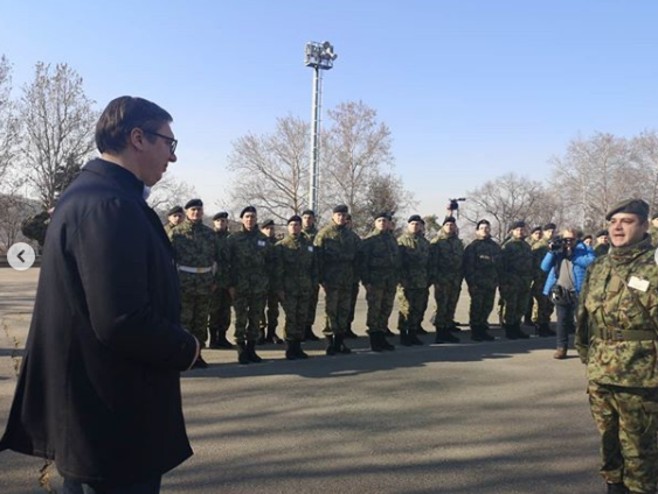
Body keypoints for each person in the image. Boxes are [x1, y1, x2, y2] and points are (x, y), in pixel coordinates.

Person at [0, 96, 199, 493]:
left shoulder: (92, 195)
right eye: (169, 143)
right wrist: (186, 347)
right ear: (137, 137)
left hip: (94, 417)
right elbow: (120, 319)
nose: (172, 157)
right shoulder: (110, 205)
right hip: (112, 421)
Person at [575, 198, 658, 494]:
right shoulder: (599, 266)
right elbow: (584, 317)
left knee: (640, 453)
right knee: (609, 447)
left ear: (645, 226)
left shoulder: (654, 265)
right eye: (613, 222)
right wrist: (586, 354)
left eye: (627, 221)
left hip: (641, 378)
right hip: (601, 375)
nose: (618, 227)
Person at [169, 198, 216, 369]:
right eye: (192, 210)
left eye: (199, 210)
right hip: (184, 283)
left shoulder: (209, 234)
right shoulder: (177, 233)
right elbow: (167, 259)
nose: (196, 213)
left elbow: (218, 259)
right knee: (184, 321)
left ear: (202, 212)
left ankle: (198, 355)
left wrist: (215, 280)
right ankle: (183, 355)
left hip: (204, 283)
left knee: (201, 321)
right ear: (187, 212)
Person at [226, 206, 275, 364]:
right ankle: (241, 350)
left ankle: (251, 349)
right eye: (247, 216)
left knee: (255, 318)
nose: (250, 219)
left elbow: (270, 263)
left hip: (258, 286)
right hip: (240, 285)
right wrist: (230, 285)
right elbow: (226, 263)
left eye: (253, 217)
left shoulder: (263, 239)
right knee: (241, 318)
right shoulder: (233, 239)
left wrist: (267, 282)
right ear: (242, 219)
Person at [541, 227, 595, 359]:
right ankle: (561, 348)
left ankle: (585, 348)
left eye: (571, 239)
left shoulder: (584, 249)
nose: (568, 242)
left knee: (582, 321)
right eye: (565, 239)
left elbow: (592, 263)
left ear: (577, 238)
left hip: (579, 290)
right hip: (561, 290)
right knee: (562, 321)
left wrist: (573, 256)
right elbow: (544, 267)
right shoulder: (558, 250)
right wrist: (551, 252)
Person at [314, 204, 361, 355]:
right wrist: (321, 278)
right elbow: (317, 258)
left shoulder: (351, 236)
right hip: (331, 279)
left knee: (344, 310)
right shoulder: (324, 234)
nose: (341, 218)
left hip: (347, 279)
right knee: (331, 310)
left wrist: (356, 277)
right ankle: (330, 342)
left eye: (344, 215)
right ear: (333, 216)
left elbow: (358, 258)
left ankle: (340, 341)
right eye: (338, 215)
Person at [274, 215, 318, 359]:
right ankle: (290, 348)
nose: (295, 227)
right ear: (288, 227)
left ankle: (298, 346)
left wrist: (313, 284)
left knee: (302, 317)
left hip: (305, 287)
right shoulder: (281, 246)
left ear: (301, 227)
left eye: (297, 225)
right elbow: (278, 270)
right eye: (292, 224)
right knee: (291, 318)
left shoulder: (308, 245)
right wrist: (280, 289)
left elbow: (313, 267)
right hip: (289, 289)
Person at [360, 211, 398, 352]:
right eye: (379, 220)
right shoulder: (370, 240)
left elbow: (396, 260)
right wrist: (366, 281)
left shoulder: (392, 239)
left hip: (390, 281)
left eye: (385, 221)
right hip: (376, 281)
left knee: (386, 309)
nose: (382, 223)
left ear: (389, 223)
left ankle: (382, 336)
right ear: (375, 223)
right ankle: (374, 339)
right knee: (375, 310)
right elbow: (363, 263)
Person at [462, 219, 500, 341]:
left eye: (487, 228)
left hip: (491, 283)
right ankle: (476, 331)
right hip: (478, 283)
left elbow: (500, 265)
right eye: (482, 228)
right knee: (477, 307)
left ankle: (483, 329)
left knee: (488, 306)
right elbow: (468, 267)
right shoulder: (473, 247)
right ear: (477, 231)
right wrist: (471, 283)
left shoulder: (495, 246)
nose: (485, 230)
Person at [396, 215, 430, 346]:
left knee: (418, 308)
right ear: (408, 225)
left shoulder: (425, 243)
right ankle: (404, 334)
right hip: (407, 281)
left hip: (421, 281)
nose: (415, 226)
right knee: (406, 309)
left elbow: (429, 262)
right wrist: (401, 279)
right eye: (412, 224)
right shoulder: (401, 241)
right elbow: (398, 262)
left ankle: (413, 333)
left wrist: (429, 278)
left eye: (417, 224)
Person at [429, 216, 462, 344]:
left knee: (451, 305)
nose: (450, 227)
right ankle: (440, 332)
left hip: (455, 279)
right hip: (442, 280)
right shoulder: (437, 242)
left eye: (452, 225)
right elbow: (432, 263)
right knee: (441, 306)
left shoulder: (457, 242)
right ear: (443, 226)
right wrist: (435, 279)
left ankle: (448, 329)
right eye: (447, 224)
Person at [499, 221, 533, 339]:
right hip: (511, 280)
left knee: (522, 305)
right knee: (511, 306)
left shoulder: (527, 246)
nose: (520, 232)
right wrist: (504, 281)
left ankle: (517, 326)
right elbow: (502, 265)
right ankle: (509, 328)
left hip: (524, 280)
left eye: (522, 230)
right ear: (512, 231)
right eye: (517, 230)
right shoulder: (508, 246)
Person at [207, 211, 233, 349]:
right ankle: (213, 339)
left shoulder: (231, 238)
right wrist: (211, 281)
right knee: (214, 310)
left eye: (223, 221)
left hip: (227, 281)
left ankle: (222, 337)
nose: (221, 223)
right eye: (218, 221)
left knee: (226, 311)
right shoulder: (210, 237)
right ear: (214, 223)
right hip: (214, 281)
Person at [258, 218, 283, 344]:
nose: (269, 231)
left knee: (273, 308)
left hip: (274, 281)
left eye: (272, 228)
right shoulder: (258, 242)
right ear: (262, 230)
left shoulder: (278, 244)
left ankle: (272, 333)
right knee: (259, 307)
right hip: (260, 280)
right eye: (267, 228)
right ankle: (260, 332)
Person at [301, 209, 321, 341]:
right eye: (305, 218)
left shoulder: (318, 235)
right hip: (300, 277)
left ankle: (309, 328)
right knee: (301, 305)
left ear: (314, 220)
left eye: (310, 218)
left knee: (312, 303)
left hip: (313, 275)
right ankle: (300, 330)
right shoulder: (297, 233)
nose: (307, 220)